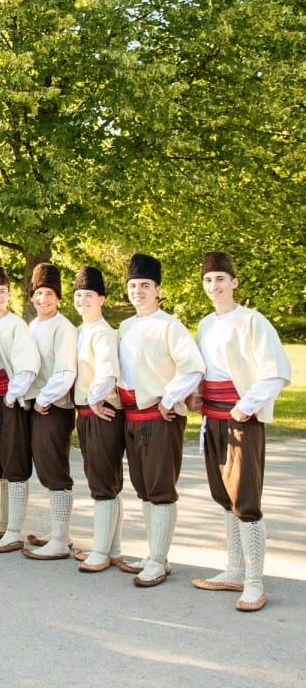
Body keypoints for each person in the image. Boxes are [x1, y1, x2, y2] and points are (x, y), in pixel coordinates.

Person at [189, 251, 291, 611]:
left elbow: (275, 370)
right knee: (223, 495)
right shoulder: (204, 324)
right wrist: (197, 397)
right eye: (208, 280)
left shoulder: (252, 321)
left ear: (234, 282)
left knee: (245, 499)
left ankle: (254, 581)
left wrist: (245, 406)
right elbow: (205, 370)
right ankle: (234, 569)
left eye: (220, 279)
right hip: (213, 418)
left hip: (241, 418)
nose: (214, 286)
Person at [116, 254, 204, 588]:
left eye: (145, 286)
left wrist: (170, 398)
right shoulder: (126, 327)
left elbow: (192, 366)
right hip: (131, 415)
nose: (138, 291)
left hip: (159, 415)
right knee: (142, 486)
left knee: (160, 488)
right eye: (133, 286)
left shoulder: (170, 326)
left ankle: (158, 560)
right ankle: (156, 554)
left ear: (158, 290)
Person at [69, 266, 127, 573]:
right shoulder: (81, 331)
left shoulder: (103, 332)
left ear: (102, 299)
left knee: (103, 483)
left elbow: (108, 372)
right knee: (105, 480)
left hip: (101, 413)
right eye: (78, 295)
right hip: (87, 413)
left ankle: (101, 551)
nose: (82, 300)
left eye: (88, 295)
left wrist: (94, 399)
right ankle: (113, 548)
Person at [20, 264, 79, 561]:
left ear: (59, 297)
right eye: (39, 293)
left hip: (53, 406)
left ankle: (59, 540)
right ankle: (61, 534)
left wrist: (44, 399)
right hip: (36, 404)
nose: (43, 299)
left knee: (54, 470)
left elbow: (65, 371)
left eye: (49, 294)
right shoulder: (33, 325)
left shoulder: (63, 328)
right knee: (44, 468)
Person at [0, 265, 39, 554]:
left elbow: (27, 364)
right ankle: (2, 522)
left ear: (9, 293)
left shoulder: (16, 325)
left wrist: (12, 395)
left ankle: (15, 530)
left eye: (2, 291)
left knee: (14, 461)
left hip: (10, 400)